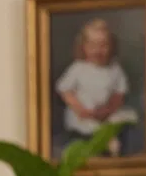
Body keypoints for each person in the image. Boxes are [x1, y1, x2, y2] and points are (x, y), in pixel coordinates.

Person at [56, 17, 138, 158]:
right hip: (84, 112)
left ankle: (112, 142)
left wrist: (108, 110)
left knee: (127, 117)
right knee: (89, 127)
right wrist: (80, 109)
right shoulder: (78, 68)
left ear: (112, 47)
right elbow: (64, 90)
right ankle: (106, 143)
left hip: (105, 111)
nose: (98, 50)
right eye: (92, 46)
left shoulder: (115, 69)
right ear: (83, 47)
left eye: (103, 45)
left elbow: (119, 94)